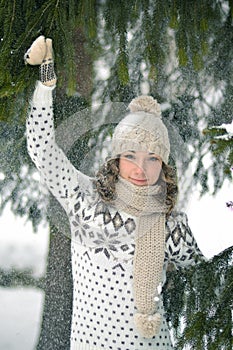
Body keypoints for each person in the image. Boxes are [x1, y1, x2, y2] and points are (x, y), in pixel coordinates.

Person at [25, 36, 205, 350]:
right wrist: (45, 83)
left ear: (163, 165)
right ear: (116, 159)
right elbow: (41, 148)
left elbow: (207, 282)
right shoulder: (83, 197)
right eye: (131, 155)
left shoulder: (172, 224)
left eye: (153, 158)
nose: (141, 167)